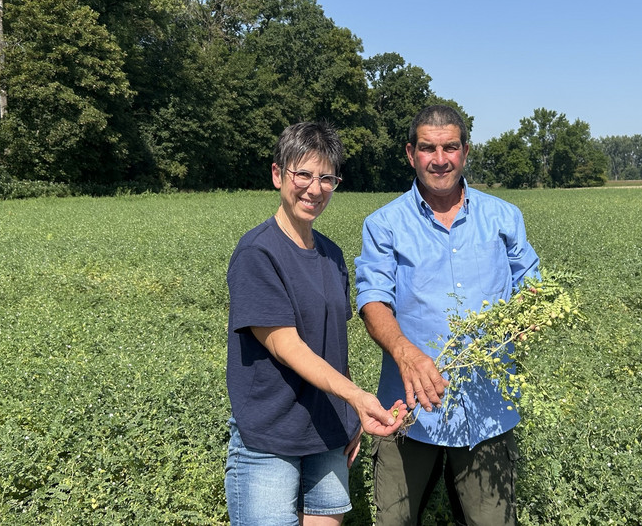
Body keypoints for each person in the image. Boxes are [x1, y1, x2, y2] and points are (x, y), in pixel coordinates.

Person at [355, 105, 540, 525]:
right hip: (408, 408)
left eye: (450, 147)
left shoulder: (503, 217)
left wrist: (530, 315)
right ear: (410, 153)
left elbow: (532, 283)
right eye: (428, 148)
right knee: (394, 522)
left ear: (465, 151)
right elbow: (372, 301)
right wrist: (405, 352)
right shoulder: (384, 224)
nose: (440, 159)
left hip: (486, 408)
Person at [225, 121, 407, 526]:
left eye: (327, 177)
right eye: (303, 174)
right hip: (269, 439)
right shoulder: (258, 253)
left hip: (326, 436)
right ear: (278, 174)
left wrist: (349, 413)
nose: (314, 187)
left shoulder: (332, 255)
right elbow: (287, 347)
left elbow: (332, 344)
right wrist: (359, 398)